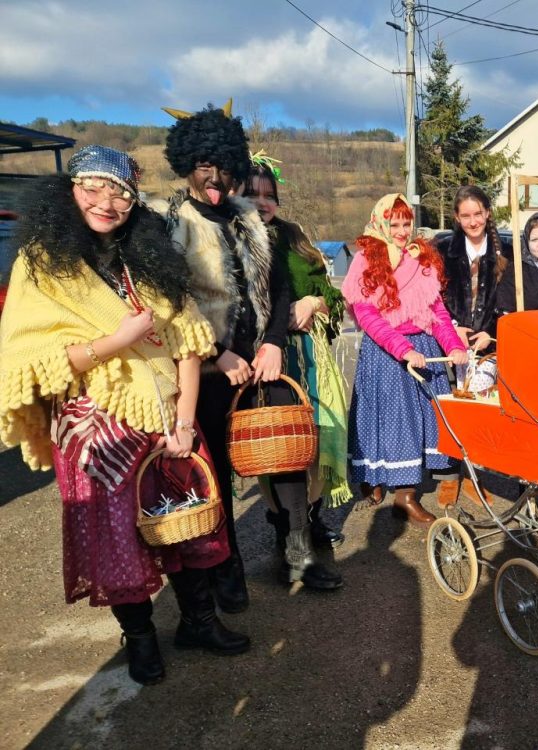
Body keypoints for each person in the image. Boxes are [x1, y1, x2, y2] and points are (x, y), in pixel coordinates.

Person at [0, 146, 249, 685]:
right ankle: (139, 639)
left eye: (121, 194)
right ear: (70, 190)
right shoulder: (41, 267)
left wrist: (185, 422)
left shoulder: (149, 259)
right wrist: (118, 340)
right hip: (96, 426)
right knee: (117, 540)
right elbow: (30, 362)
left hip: (168, 417)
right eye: (93, 187)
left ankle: (199, 623)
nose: (106, 202)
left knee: (187, 524)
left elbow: (188, 344)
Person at [153, 104, 340, 604]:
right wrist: (218, 354)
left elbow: (279, 290)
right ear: (188, 166)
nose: (215, 178)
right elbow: (172, 304)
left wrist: (273, 342)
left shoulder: (250, 220)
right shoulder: (170, 224)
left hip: (262, 362)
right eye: (204, 166)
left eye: (223, 167)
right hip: (205, 371)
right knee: (215, 472)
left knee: (287, 458)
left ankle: (298, 555)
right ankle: (226, 567)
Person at [243, 160, 352, 553]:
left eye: (269, 196)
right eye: (252, 194)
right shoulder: (232, 240)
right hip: (267, 363)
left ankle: (312, 517)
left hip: (311, 360)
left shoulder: (295, 238)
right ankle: (286, 532)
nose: (262, 203)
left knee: (317, 441)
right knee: (279, 448)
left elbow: (333, 296)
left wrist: (313, 302)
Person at [342, 193, 468, 526]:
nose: (401, 231)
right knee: (392, 420)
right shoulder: (365, 260)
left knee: (424, 421)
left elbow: (437, 313)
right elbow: (368, 316)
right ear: (380, 223)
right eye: (394, 224)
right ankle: (376, 480)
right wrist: (403, 349)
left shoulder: (421, 258)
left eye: (406, 223)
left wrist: (454, 346)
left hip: (423, 349)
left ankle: (405, 494)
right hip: (387, 353)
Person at [438, 185, 510, 350]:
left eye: (478, 214)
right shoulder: (442, 253)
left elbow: (510, 306)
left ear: (487, 212)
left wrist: (491, 333)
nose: (473, 223)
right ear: (457, 217)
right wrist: (452, 328)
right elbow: (434, 302)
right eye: (465, 216)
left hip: (493, 348)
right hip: (451, 345)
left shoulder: (508, 255)